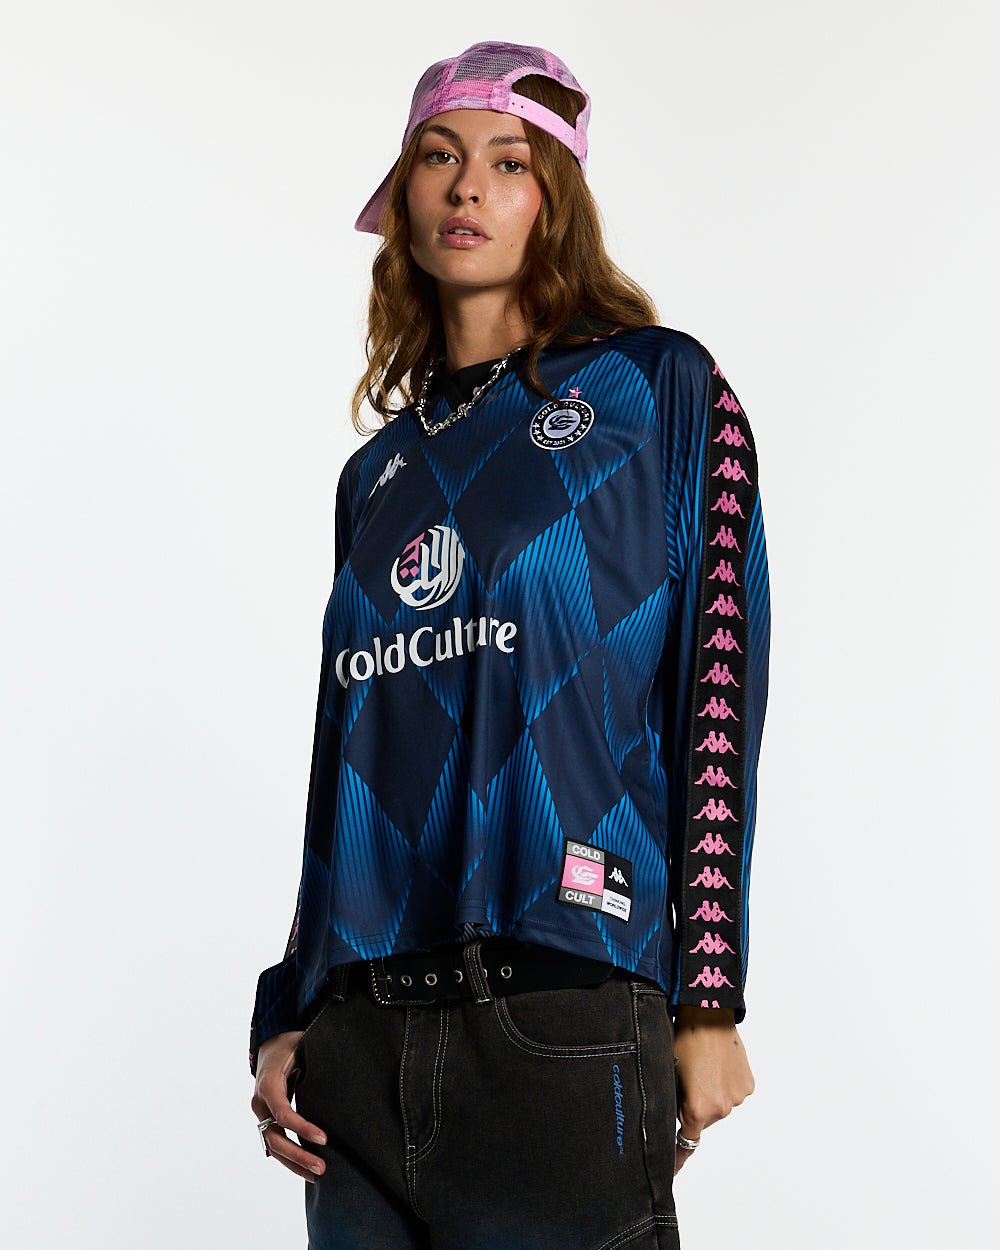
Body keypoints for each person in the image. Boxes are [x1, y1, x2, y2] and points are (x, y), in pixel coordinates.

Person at [248, 40, 771, 1250]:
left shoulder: (659, 391)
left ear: (555, 200)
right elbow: (348, 758)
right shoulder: (376, 475)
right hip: (358, 1049)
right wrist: (290, 1004)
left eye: (508, 161)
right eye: (439, 157)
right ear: (405, 198)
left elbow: (717, 680)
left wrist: (708, 990)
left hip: (558, 1010)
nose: (467, 186)